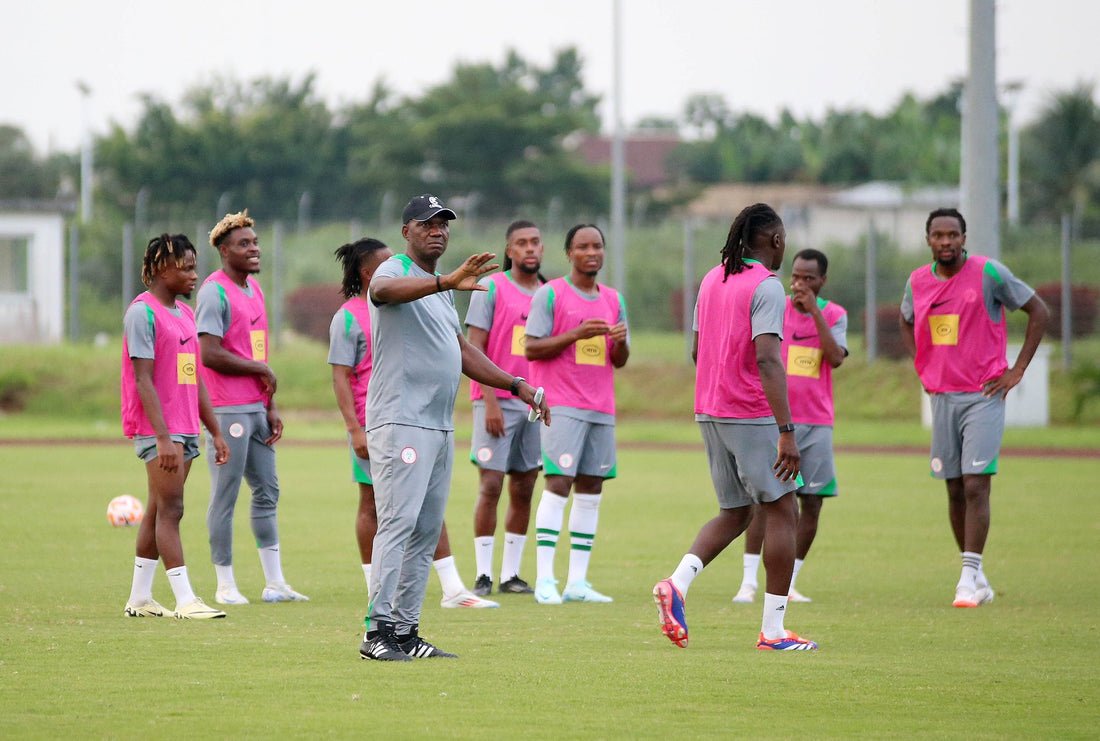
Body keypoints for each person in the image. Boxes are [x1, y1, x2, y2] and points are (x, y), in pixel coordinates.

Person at [360, 194, 549, 662]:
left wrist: (515, 384)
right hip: (401, 421)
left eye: (444, 223)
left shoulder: (441, 288)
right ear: (407, 232)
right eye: (427, 223)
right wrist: (447, 279)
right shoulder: (394, 270)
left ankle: (405, 631)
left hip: (438, 425)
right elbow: (382, 295)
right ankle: (376, 632)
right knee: (399, 524)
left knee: (425, 530)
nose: (437, 230)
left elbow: (460, 351)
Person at [653, 203, 818, 651]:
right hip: (750, 412)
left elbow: (696, 350)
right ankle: (773, 632)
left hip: (709, 409)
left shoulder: (711, 279)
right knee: (785, 510)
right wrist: (786, 430)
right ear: (776, 241)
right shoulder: (767, 286)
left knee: (737, 512)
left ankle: (677, 584)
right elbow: (767, 358)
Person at [328, 238, 497, 613]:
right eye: (387, 263)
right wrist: (355, 428)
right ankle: (380, 611)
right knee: (380, 508)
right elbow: (341, 375)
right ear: (369, 273)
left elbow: (455, 349)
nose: (398, 266)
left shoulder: (424, 299)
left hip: (428, 421)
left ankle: (421, 611)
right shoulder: (353, 313)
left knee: (422, 514)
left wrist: (515, 384)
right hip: (385, 420)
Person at [899, 208, 1048, 608]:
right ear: (928, 239)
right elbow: (904, 319)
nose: (945, 242)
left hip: (984, 394)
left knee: (975, 483)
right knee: (952, 487)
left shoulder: (990, 274)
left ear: (965, 238)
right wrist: (922, 366)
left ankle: (966, 579)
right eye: (938, 235)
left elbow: (1039, 311)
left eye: (953, 235)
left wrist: (1016, 370)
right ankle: (976, 574)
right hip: (942, 396)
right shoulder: (917, 281)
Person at [196, 210, 307, 605]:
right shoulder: (214, 291)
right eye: (244, 244)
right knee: (224, 496)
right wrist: (260, 368)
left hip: (256, 408)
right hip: (227, 410)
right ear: (225, 251)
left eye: (255, 242)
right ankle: (225, 585)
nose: (254, 249)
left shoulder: (253, 290)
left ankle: (274, 583)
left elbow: (256, 351)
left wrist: (270, 405)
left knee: (267, 491)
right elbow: (208, 353)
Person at [121, 233, 229, 620]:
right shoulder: (142, 313)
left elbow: (194, 377)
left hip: (185, 427)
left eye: (195, 267)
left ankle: (140, 598)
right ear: (162, 269)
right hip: (159, 431)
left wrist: (214, 430)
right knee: (173, 508)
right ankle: (186, 600)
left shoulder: (184, 314)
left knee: (156, 508)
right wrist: (162, 438)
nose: (194, 275)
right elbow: (143, 379)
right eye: (186, 268)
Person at [733, 248, 848, 604]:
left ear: (822, 281)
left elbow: (835, 358)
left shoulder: (834, 314)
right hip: (772, 421)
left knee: (811, 503)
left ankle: (790, 579)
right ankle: (749, 582)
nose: (799, 284)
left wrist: (814, 312)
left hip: (816, 422)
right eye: (796, 276)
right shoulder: (774, 306)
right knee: (767, 500)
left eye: (808, 279)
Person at [524, 223, 629, 605]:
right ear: (568, 253)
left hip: (601, 406)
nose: (592, 253)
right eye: (583, 247)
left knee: (592, 488)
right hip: (562, 404)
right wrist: (576, 335)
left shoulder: (614, 299)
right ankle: (545, 580)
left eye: (597, 246)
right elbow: (531, 349)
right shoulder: (550, 294)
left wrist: (617, 343)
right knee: (558, 483)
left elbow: (620, 358)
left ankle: (578, 582)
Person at [464, 220, 547, 597]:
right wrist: (490, 399)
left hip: (534, 403)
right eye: (521, 243)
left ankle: (511, 574)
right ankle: (483, 573)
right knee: (492, 483)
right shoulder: (492, 287)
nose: (530, 249)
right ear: (509, 250)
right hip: (495, 401)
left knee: (525, 486)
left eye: (535, 242)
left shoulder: (548, 293)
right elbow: (474, 346)